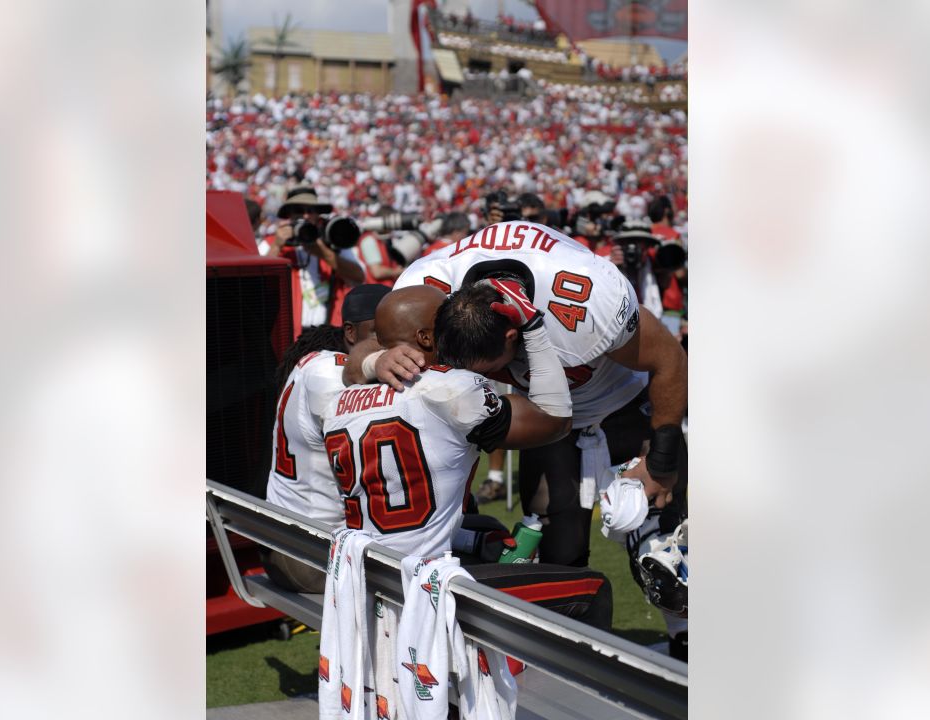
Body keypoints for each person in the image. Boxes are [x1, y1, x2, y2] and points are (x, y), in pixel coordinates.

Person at [347, 220, 687, 654]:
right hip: (544, 417)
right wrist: (378, 358)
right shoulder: (425, 288)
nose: (476, 380)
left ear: (512, 336)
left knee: (663, 554)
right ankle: (574, 660)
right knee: (556, 549)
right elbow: (354, 354)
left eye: (488, 369)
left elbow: (671, 360)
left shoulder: (586, 297)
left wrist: (661, 460)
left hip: (621, 401)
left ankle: (685, 640)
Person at [325, 283, 613, 629]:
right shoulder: (450, 388)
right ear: (427, 338)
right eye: (446, 320)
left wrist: (371, 360)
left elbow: (354, 369)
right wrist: (534, 330)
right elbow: (555, 420)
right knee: (593, 590)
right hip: (422, 584)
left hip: (366, 572)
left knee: (487, 529)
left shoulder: (339, 402)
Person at [262, 284, 391, 593]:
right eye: (378, 333)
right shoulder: (331, 372)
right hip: (309, 552)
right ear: (350, 332)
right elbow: (373, 475)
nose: (389, 343)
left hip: (290, 540)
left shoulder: (315, 362)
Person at [261, 186, 366, 328]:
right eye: (299, 211)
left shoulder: (333, 241)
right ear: (289, 215)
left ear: (318, 215)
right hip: (290, 331)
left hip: (329, 330)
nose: (305, 216)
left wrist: (324, 253)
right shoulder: (272, 242)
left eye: (311, 211)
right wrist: (276, 246)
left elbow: (358, 277)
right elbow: (257, 284)